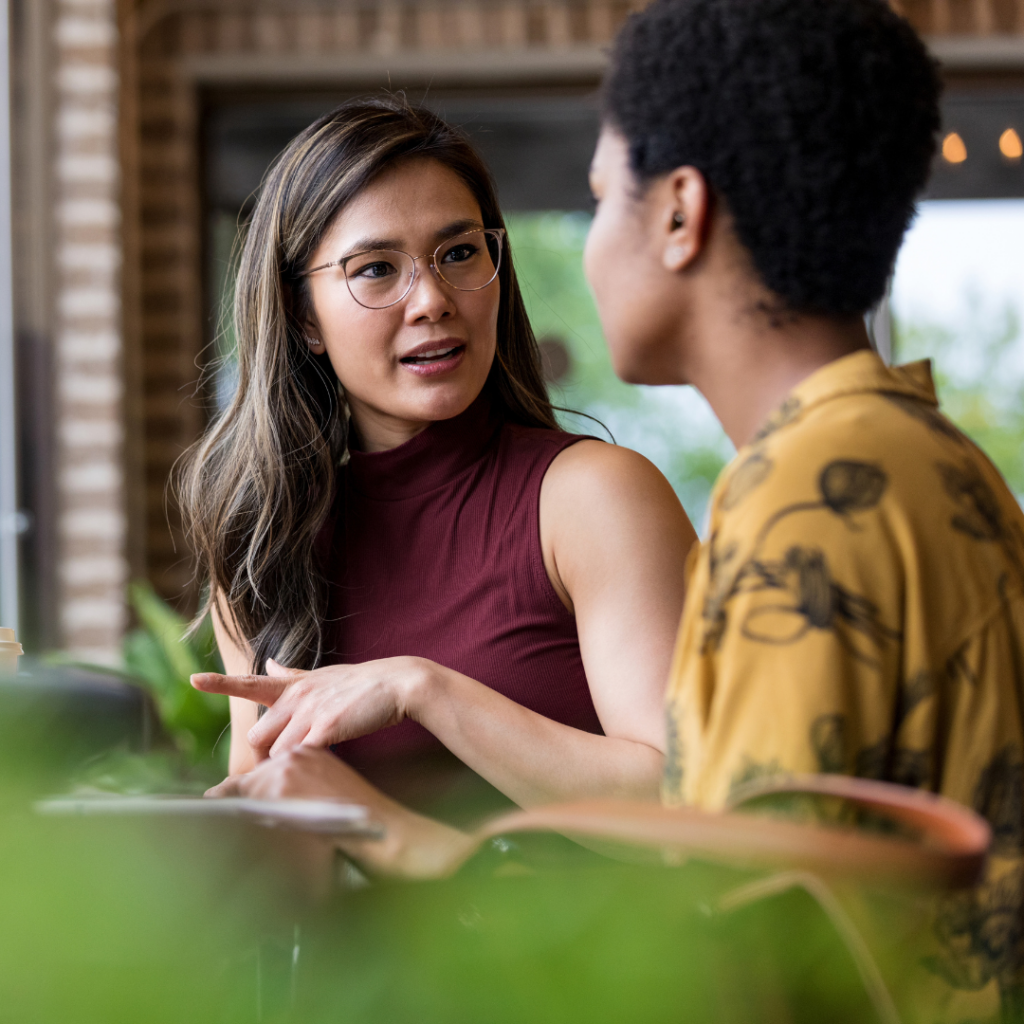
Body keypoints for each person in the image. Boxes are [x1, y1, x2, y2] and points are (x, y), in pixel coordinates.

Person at [585, 0, 1023, 1020]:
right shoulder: (933, 461)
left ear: (679, 212)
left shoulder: (801, 504)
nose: (594, 240)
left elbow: (737, 944)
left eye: (604, 195)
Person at [184, 99, 696, 825]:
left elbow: (683, 806)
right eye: (376, 269)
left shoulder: (591, 498)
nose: (431, 299)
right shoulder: (264, 540)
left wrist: (424, 689)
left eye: (459, 253)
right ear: (304, 317)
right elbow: (275, 818)